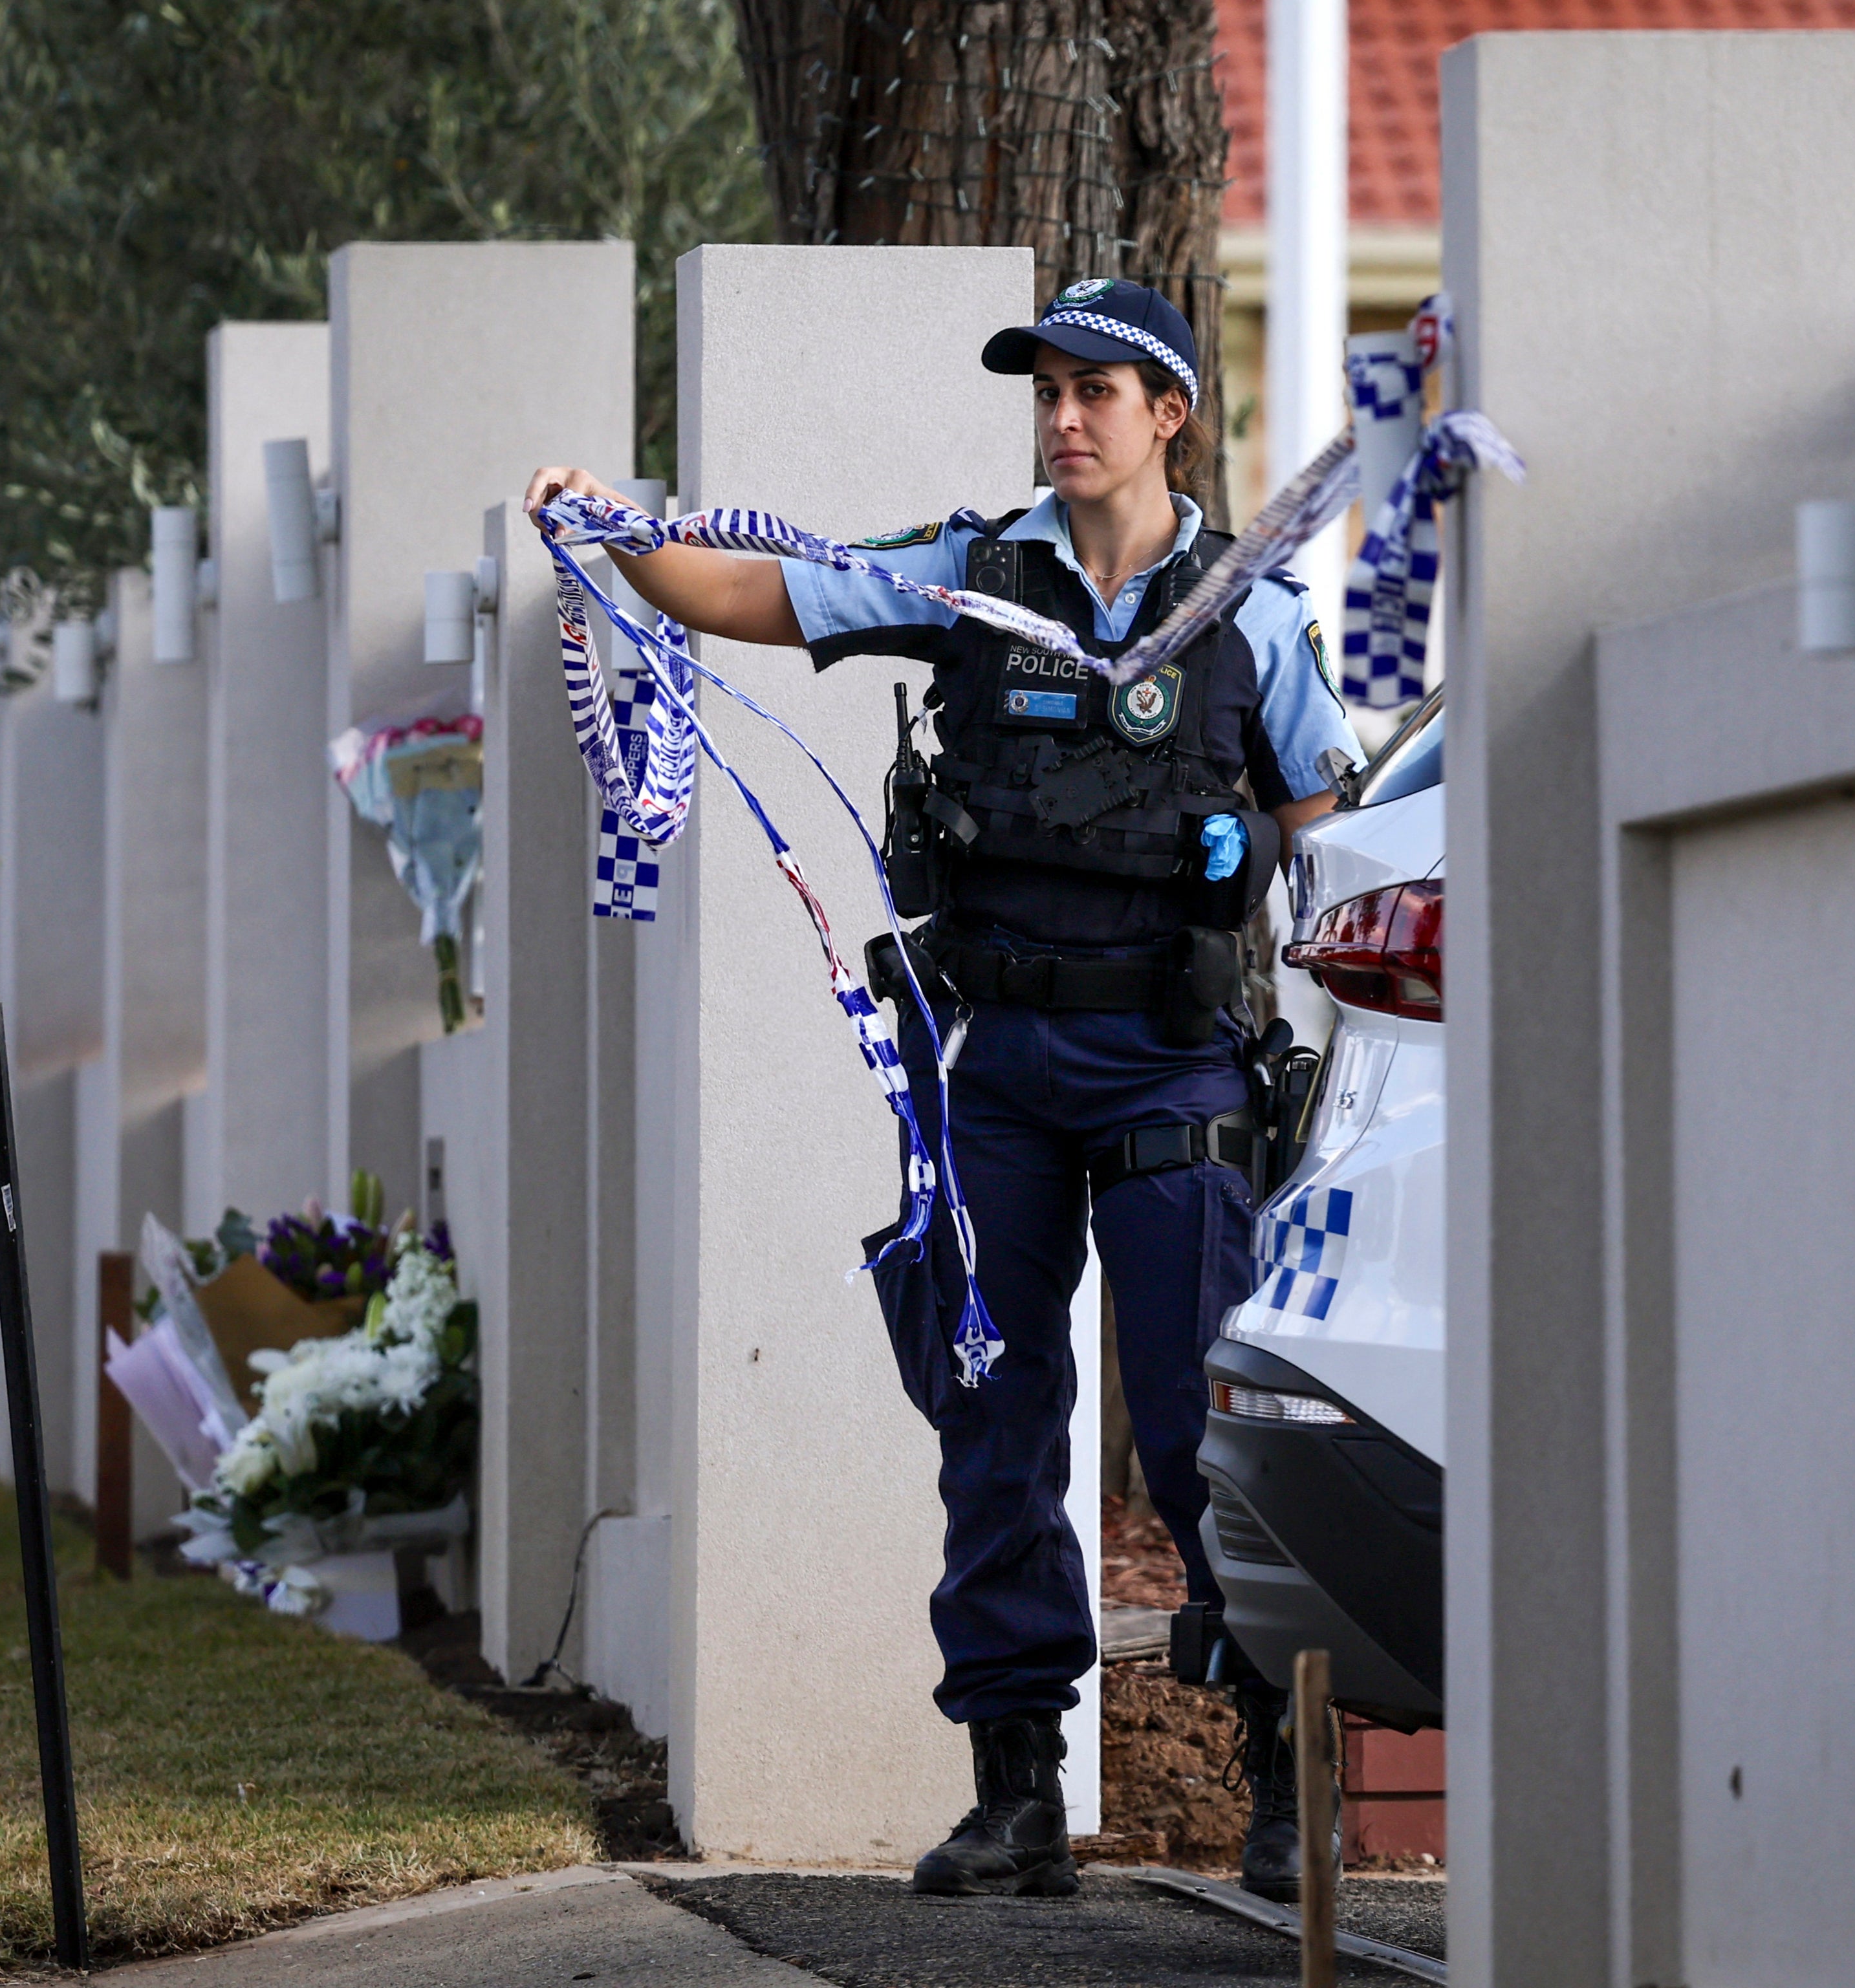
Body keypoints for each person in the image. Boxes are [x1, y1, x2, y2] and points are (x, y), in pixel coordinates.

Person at [523, 277, 1360, 1902]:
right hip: (1002, 1078)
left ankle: (1281, 1778)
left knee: (1203, 1436)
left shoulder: (1248, 609)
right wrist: (610, 537)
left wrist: (1254, 850)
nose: (1062, 418)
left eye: (1095, 392)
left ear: (1167, 415)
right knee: (991, 1428)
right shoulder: (974, 576)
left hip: (1178, 1069)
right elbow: (762, 594)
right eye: (1045, 389)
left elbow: (1336, 817)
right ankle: (1014, 1792)